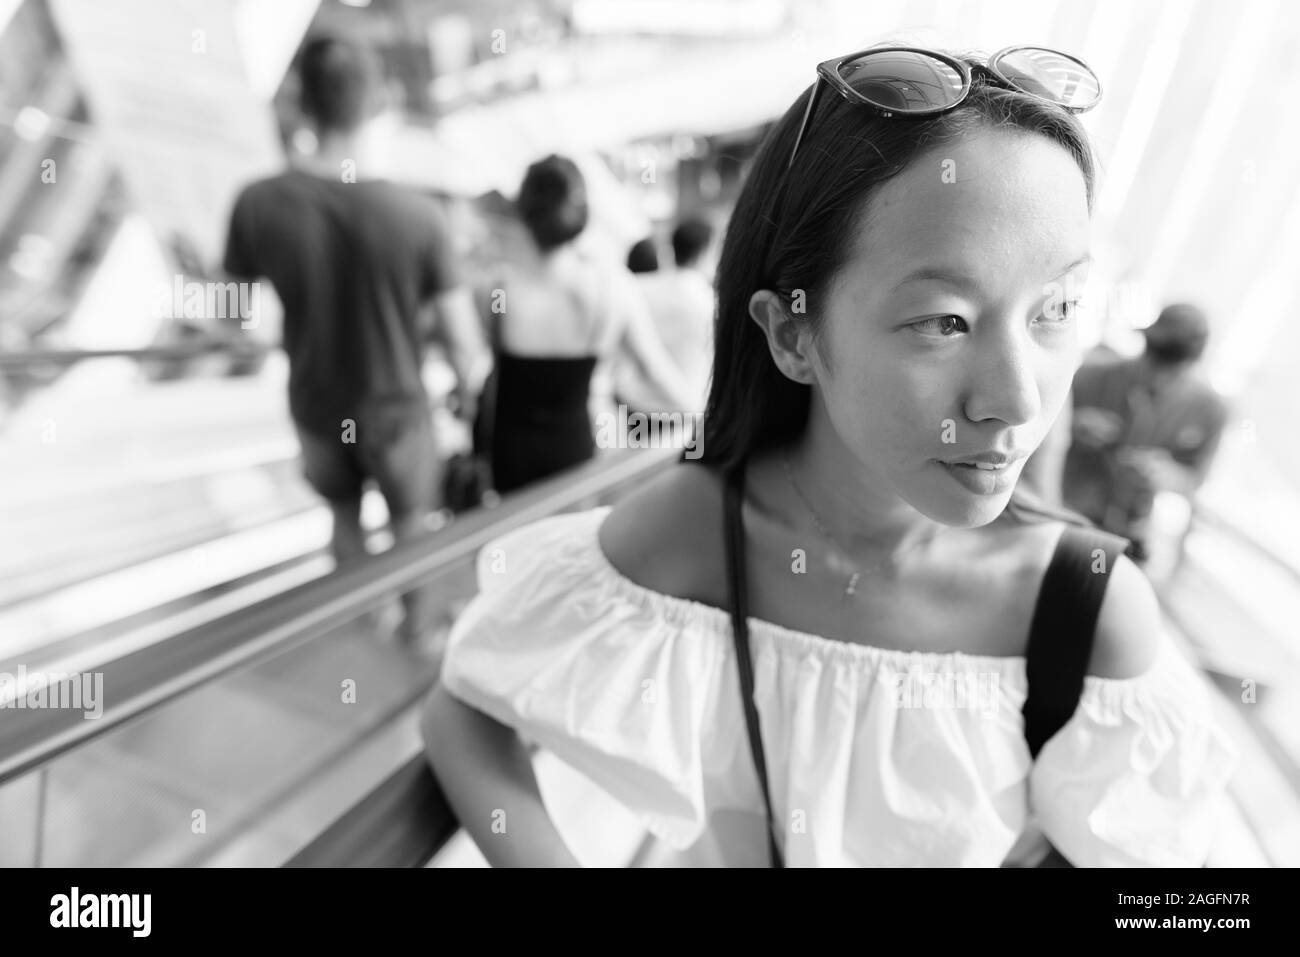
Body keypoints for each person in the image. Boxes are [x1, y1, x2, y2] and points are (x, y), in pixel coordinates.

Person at [422, 45, 1237, 866]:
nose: (1019, 400)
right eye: (943, 320)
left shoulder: (1086, 612)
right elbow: (466, 705)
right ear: (793, 333)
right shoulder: (703, 528)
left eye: (1055, 307)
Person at [223, 36, 488, 642]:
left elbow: (233, 319)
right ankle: (417, 632)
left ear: (302, 103)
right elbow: (465, 346)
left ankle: (364, 622)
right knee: (411, 522)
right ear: (374, 103)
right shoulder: (419, 216)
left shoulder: (259, 201)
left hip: (317, 407)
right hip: (396, 410)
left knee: (343, 515)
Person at [482, 155, 694, 494]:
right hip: (577, 448)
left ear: (524, 212)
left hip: (511, 453)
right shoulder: (611, 286)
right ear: (582, 212)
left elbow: (491, 373)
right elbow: (653, 367)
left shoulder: (499, 288)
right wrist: (705, 417)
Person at [1063, 303, 1230, 564]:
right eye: (1155, 359)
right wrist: (1072, 425)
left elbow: (1196, 478)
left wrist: (1166, 474)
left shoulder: (1210, 411)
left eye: (1172, 369)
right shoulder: (1092, 375)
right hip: (1066, 510)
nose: (1158, 376)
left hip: (1129, 531)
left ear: (1193, 363)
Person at [615, 216, 717, 415]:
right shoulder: (706, 301)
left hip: (635, 403)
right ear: (705, 252)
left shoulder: (640, 288)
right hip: (683, 410)